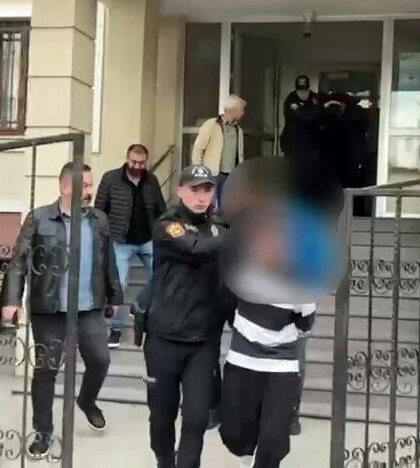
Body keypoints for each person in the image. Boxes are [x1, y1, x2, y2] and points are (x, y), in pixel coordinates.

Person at [0, 162, 123, 459]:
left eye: (91, 185)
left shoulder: (98, 220)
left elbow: (107, 260)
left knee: (100, 360)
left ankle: (87, 401)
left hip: (89, 307)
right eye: (85, 185)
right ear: (66, 186)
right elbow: (19, 261)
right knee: (46, 370)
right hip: (50, 309)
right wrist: (11, 300)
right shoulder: (39, 218)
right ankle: (43, 432)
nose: (90, 191)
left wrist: (115, 294)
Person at [143, 164, 229, 468]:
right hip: (164, 339)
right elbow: (195, 248)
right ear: (180, 190)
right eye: (195, 189)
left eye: (207, 189)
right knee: (162, 416)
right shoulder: (167, 225)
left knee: (196, 417)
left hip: (202, 342)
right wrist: (241, 235)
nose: (202, 196)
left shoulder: (219, 229)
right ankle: (164, 460)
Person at [220, 298, 316, 468]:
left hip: (282, 363)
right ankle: (247, 459)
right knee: (234, 434)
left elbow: (306, 322)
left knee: (274, 439)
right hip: (242, 357)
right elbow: (227, 303)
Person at [94, 143, 166, 348]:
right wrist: (102, 238)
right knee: (119, 285)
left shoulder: (151, 180)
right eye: (134, 162)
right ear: (127, 159)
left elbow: (161, 209)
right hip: (120, 241)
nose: (137, 166)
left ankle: (145, 311)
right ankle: (115, 329)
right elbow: (99, 210)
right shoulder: (111, 178)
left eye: (141, 163)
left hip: (148, 239)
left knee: (162, 278)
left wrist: (162, 231)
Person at [191, 94, 246, 213]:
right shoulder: (211, 125)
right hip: (213, 174)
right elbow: (198, 149)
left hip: (231, 175)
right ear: (234, 110)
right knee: (210, 207)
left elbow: (240, 154)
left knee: (226, 207)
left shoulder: (239, 130)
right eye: (241, 110)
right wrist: (200, 171)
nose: (243, 113)